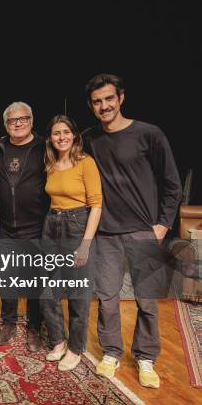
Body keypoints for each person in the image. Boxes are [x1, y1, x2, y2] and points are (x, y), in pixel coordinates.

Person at [83, 74, 181, 388]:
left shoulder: (149, 134)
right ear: (91, 105)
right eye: (97, 101)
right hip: (107, 233)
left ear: (121, 98)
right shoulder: (89, 139)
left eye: (109, 99)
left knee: (147, 300)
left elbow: (171, 183)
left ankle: (145, 357)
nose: (104, 106)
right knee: (108, 299)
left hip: (144, 230)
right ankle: (111, 351)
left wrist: (163, 224)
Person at [40, 115, 102, 371]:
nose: (61, 137)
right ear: (50, 138)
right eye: (56, 133)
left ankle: (76, 348)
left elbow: (96, 205)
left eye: (66, 132)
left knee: (77, 293)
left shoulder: (85, 163)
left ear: (74, 135)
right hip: (51, 224)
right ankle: (57, 340)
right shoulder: (51, 163)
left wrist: (85, 244)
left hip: (77, 225)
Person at [0, 101, 49, 352]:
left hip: (36, 225)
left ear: (31, 121)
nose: (18, 123)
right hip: (7, 225)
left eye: (23, 119)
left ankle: (35, 327)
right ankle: (8, 323)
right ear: (6, 124)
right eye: (12, 120)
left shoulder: (44, 147)